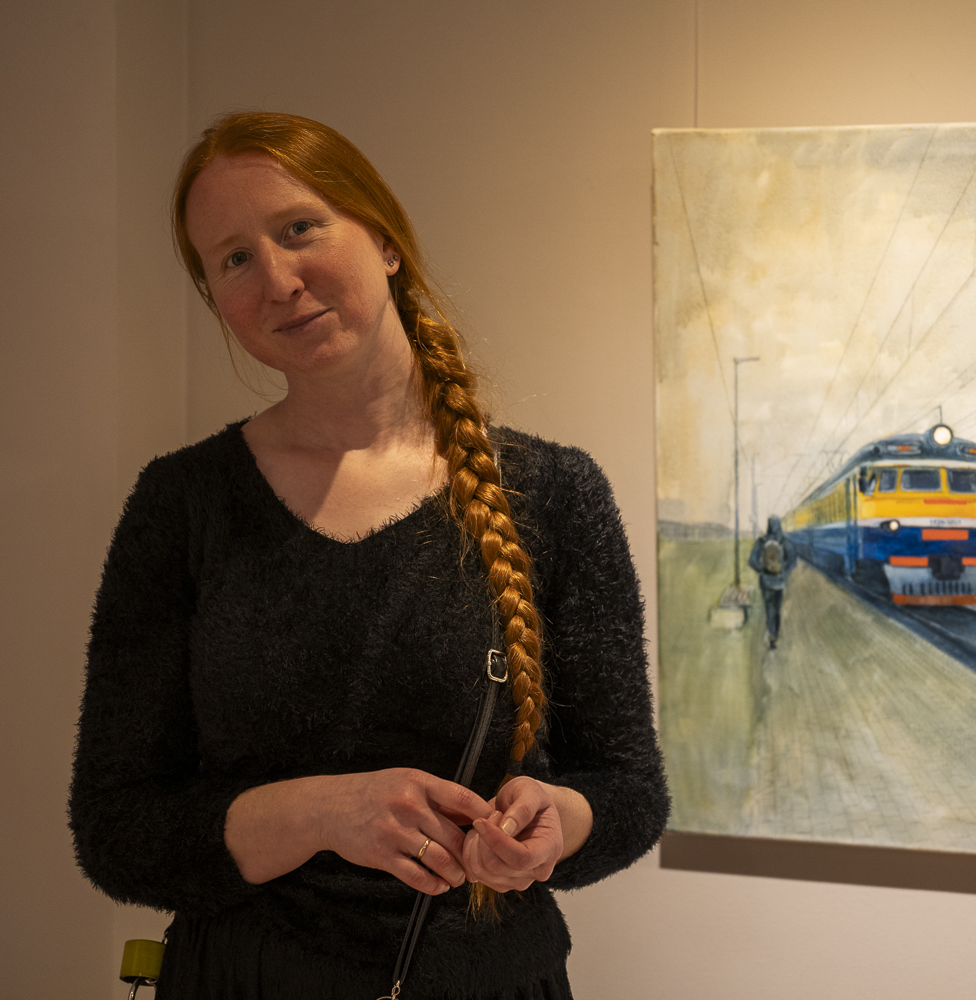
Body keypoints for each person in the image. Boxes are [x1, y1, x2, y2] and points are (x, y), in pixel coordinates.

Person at [67, 112, 669, 999]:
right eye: (233, 260)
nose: (278, 280)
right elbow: (115, 829)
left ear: (385, 240)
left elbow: (628, 791)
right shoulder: (181, 504)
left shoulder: (556, 493)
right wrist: (320, 811)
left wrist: (560, 821)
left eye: (298, 228)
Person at [747, 516, 795, 648]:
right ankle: (775, 634)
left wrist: (762, 570)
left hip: (766, 582)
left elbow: (751, 561)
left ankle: (771, 634)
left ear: (768, 526)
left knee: (769, 608)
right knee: (777, 609)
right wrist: (784, 572)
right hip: (779, 582)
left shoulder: (761, 541)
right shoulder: (784, 541)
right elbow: (792, 561)